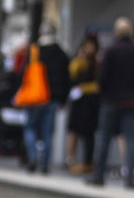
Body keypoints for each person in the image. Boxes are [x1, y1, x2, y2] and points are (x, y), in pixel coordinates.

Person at [89, 18, 134, 188]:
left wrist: (106, 93)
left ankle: (98, 175)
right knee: (130, 139)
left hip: (111, 100)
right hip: (132, 101)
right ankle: (130, 176)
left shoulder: (111, 51)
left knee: (104, 138)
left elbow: (102, 77)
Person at [21, 24, 71, 174]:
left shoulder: (34, 52)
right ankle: (44, 164)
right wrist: (63, 99)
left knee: (30, 128)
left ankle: (32, 156)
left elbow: (22, 75)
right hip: (52, 99)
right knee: (48, 132)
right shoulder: (61, 53)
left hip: (34, 98)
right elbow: (66, 79)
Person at [66, 36, 101, 173]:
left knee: (88, 133)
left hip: (91, 103)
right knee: (73, 130)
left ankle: (87, 161)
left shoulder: (97, 63)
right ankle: (70, 159)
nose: (89, 49)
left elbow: (99, 83)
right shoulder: (77, 62)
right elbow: (71, 77)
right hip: (78, 102)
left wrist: (85, 88)